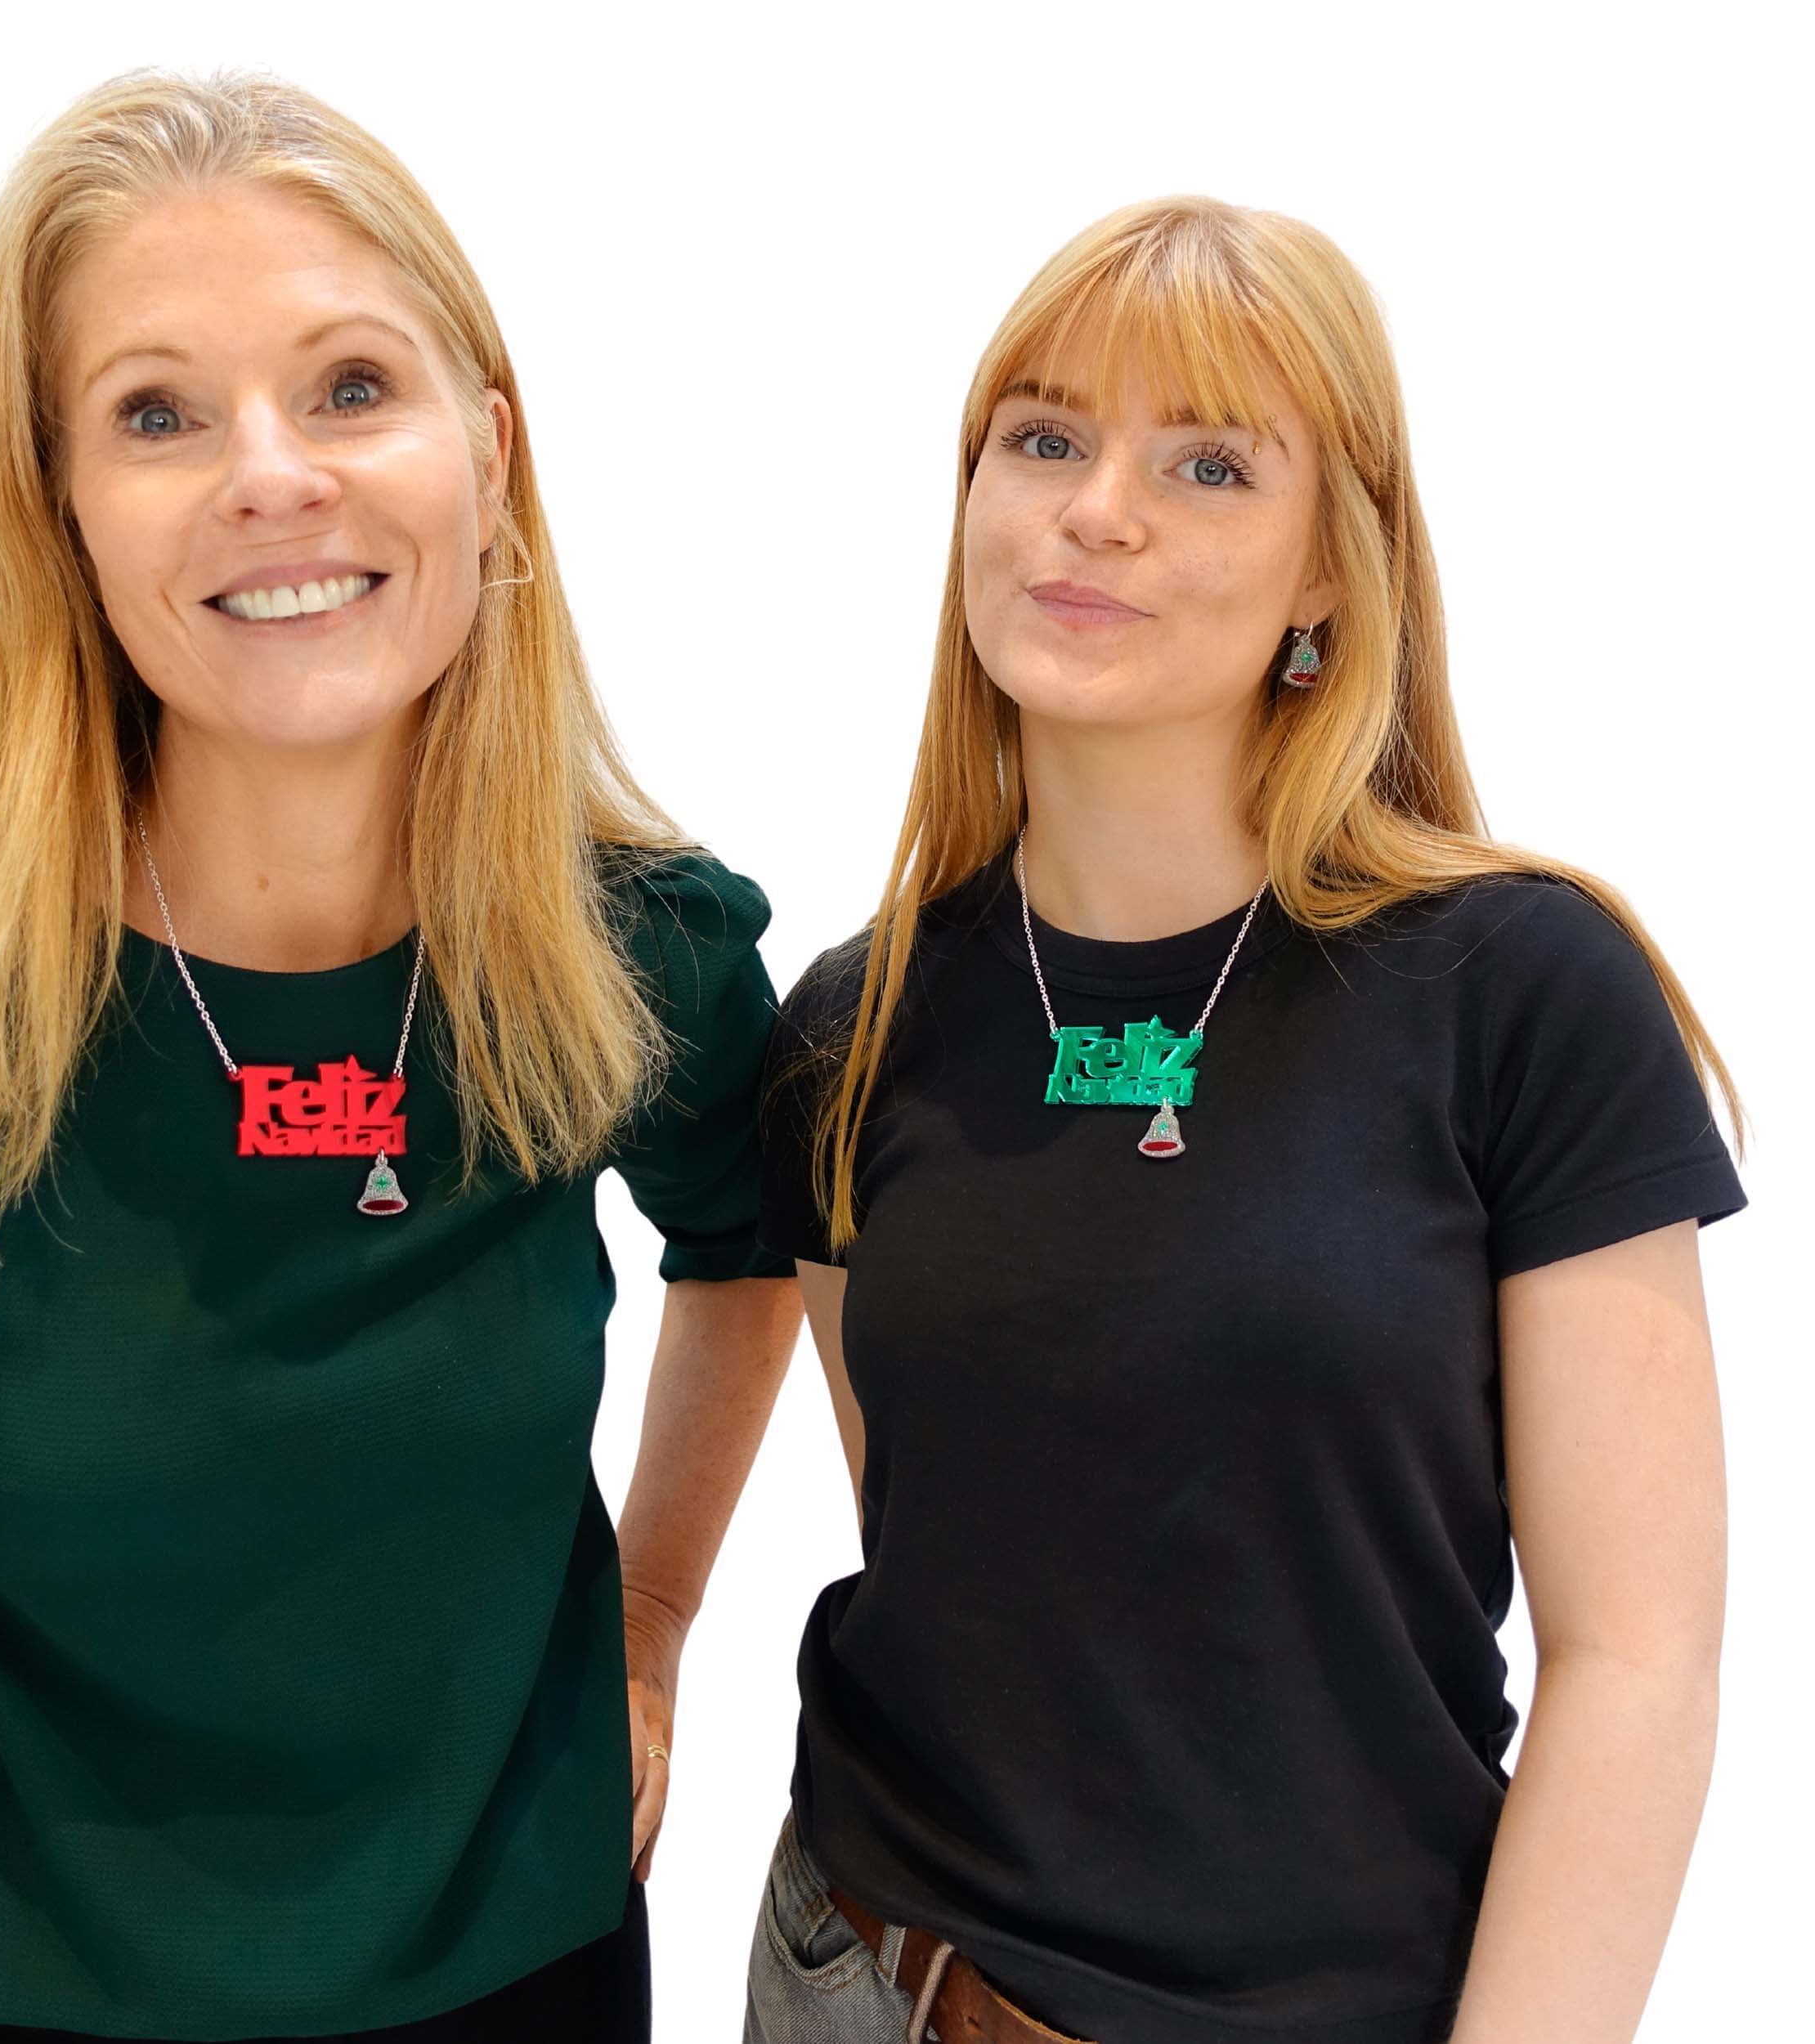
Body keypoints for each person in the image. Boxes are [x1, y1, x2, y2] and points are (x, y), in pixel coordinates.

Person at [0, 65, 802, 2042]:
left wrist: (653, 1628)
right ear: (52, 503)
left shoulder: (631, 953)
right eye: (156, 413)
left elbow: (748, 1245)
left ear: (486, 458)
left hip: (536, 1980)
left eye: (349, 386)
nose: (273, 474)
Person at [740, 197, 1750, 2044]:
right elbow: (957, 1538)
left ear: (1324, 576)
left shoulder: (1518, 988)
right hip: (867, 1981)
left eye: (1206, 462)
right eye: (1042, 438)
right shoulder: (850, 1022)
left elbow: (1636, 1661)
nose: (1096, 507)